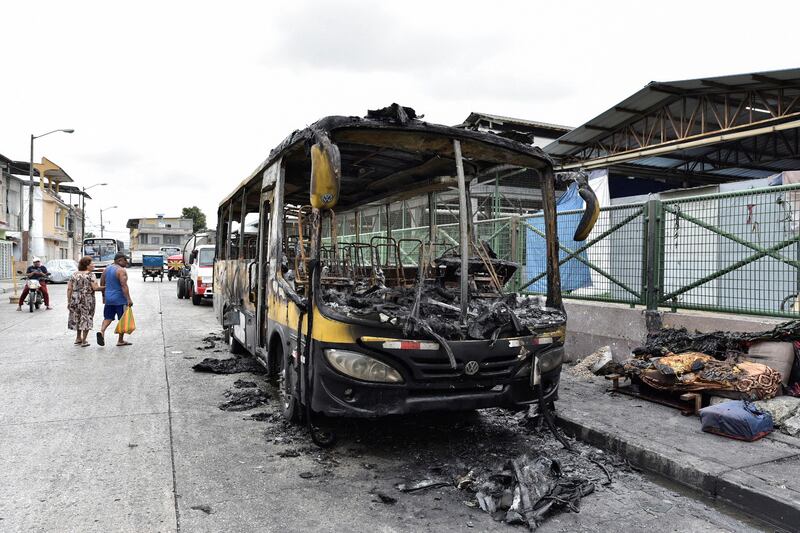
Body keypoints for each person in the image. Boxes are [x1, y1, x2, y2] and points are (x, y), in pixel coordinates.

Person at [97, 253, 134, 347]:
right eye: (125, 260)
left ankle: (101, 331)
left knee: (107, 318)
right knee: (122, 319)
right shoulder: (121, 271)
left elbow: (102, 282)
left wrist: (104, 296)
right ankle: (120, 340)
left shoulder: (106, 269)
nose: (127, 262)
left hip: (109, 298)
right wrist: (129, 299)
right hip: (120, 299)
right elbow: (124, 285)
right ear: (120, 260)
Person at [67, 256, 103, 347]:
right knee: (87, 317)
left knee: (77, 317)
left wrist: (69, 301)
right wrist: (106, 287)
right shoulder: (91, 275)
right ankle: (84, 340)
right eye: (92, 263)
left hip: (75, 298)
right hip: (87, 298)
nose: (93, 265)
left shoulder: (74, 274)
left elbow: (69, 289)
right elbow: (95, 288)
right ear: (87, 265)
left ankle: (78, 338)